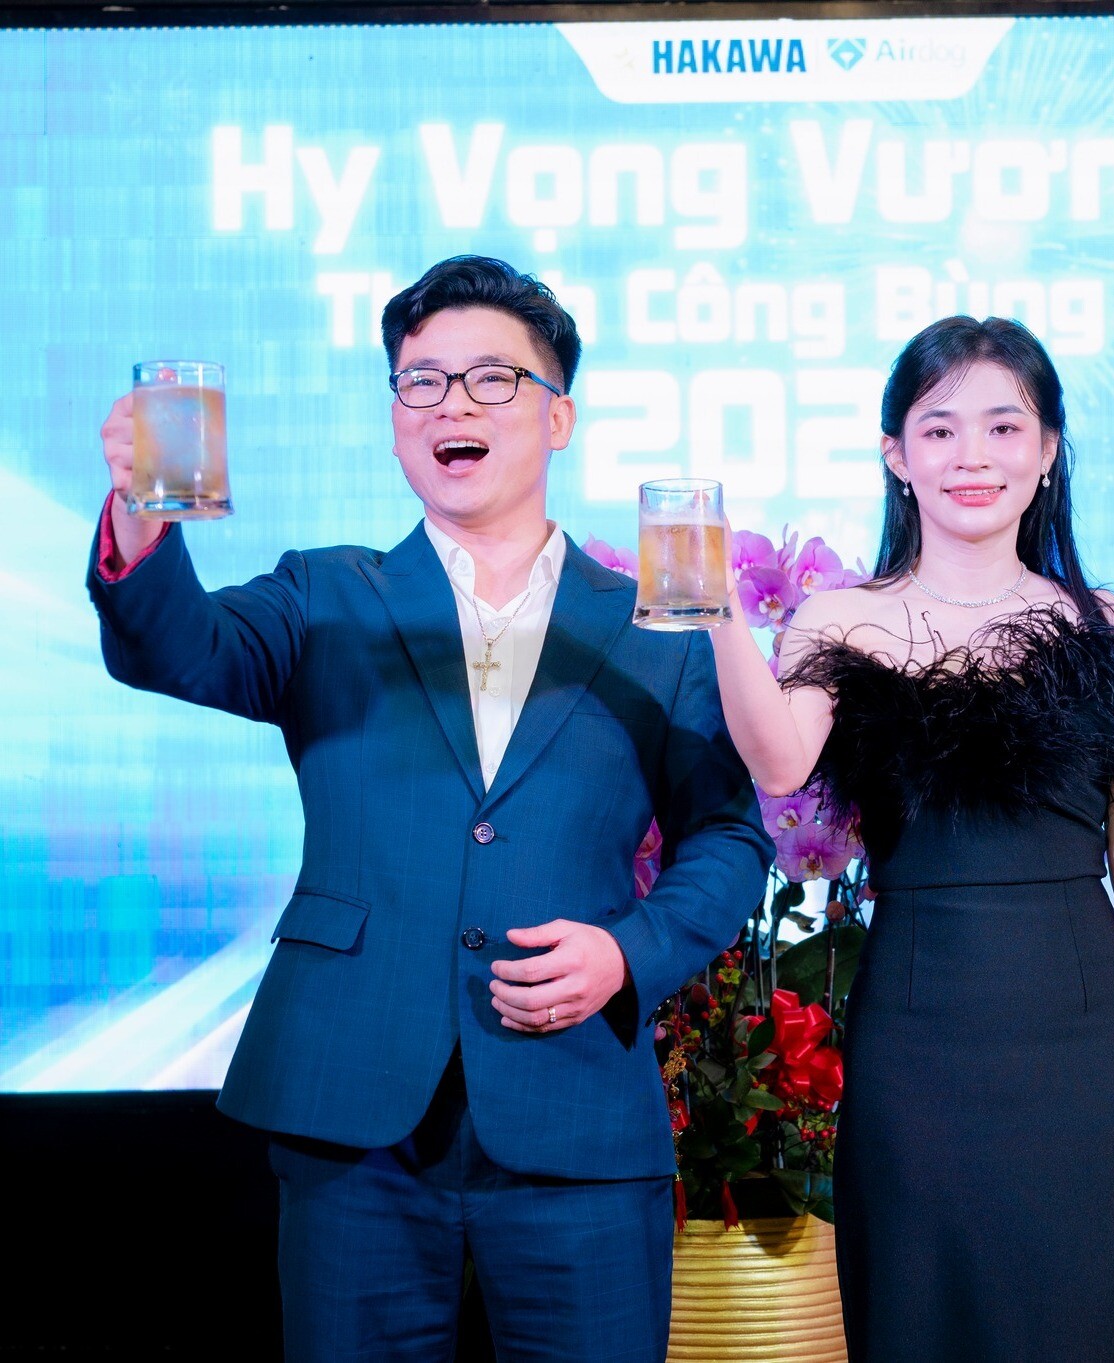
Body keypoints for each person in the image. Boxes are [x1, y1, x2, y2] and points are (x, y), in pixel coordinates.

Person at [87, 255, 772, 1363]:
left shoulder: (656, 623)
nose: (453, 404)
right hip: (352, 1109)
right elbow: (182, 647)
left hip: (577, 1112)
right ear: (397, 420)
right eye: (422, 382)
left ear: (559, 418)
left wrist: (626, 952)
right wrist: (138, 515)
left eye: (492, 379)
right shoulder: (325, 593)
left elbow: (731, 836)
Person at [709, 316, 1114, 1361]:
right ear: (896, 456)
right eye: (939, 430)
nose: (971, 456)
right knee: (923, 1318)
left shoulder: (1107, 630)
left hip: (1089, 1047)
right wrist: (715, 611)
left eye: (1002, 427)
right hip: (919, 1041)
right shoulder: (839, 620)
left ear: (1048, 451)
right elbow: (779, 766)